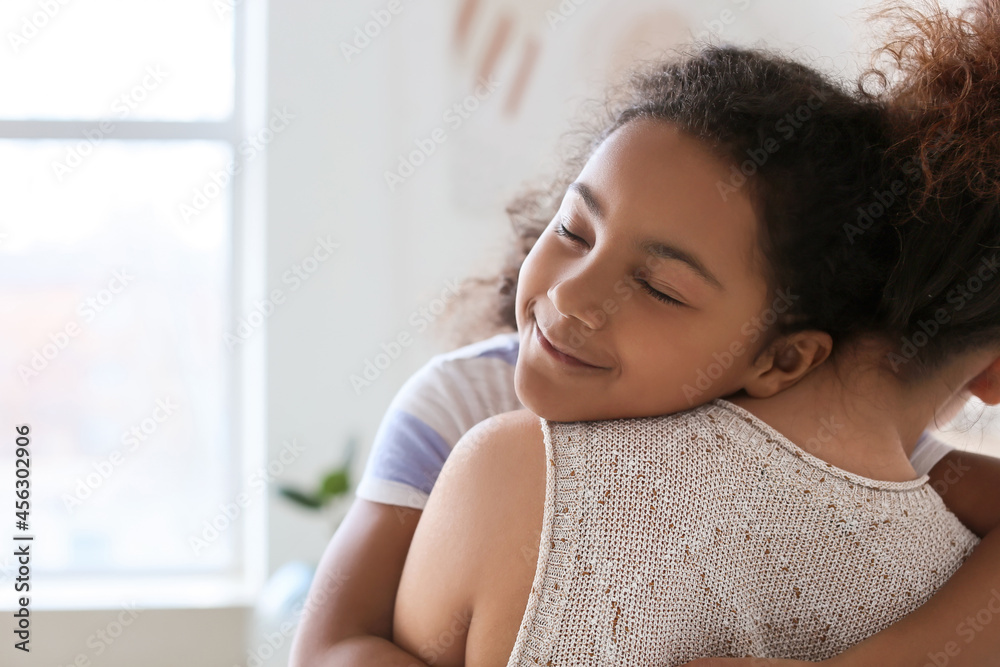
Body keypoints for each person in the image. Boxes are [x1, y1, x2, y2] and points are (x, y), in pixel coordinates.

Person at [288, 3, 1000, 666]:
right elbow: (330, 646)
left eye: (659, 288)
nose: (571, 294)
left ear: (778, 361)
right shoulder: (461, 398)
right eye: (573, 230)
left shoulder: (817, 441)